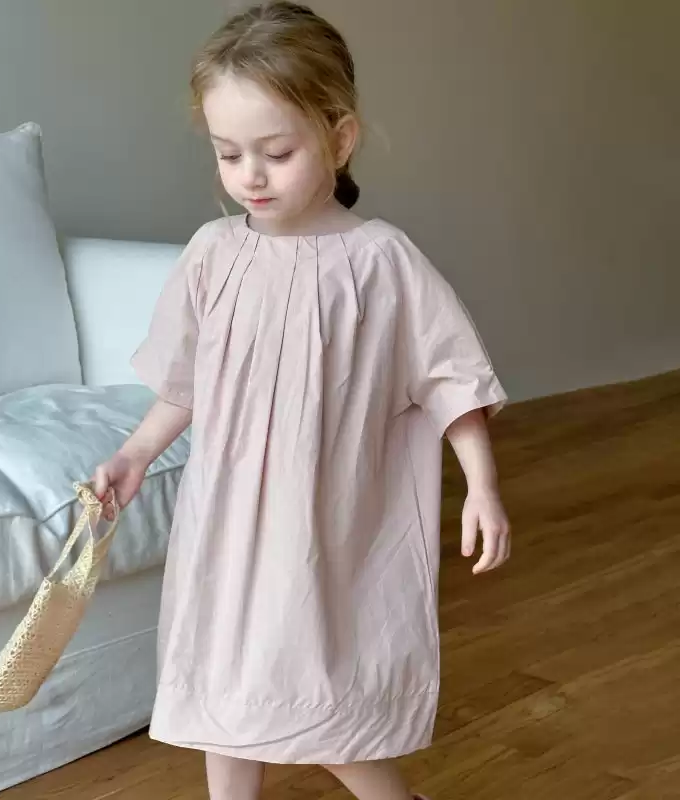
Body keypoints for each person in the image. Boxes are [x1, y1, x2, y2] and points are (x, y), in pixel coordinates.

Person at [93, 3, 511, 798]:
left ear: (339, 139)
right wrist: (135, 454)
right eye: (228, 154)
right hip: (226, 523)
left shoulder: (381, 262)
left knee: (315, 687)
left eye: (276, 153)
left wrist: (482, 488)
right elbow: (186, 382)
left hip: (328, 522)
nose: (250, 175)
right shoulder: (213, 254)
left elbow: (450, 377)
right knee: (225, 682)